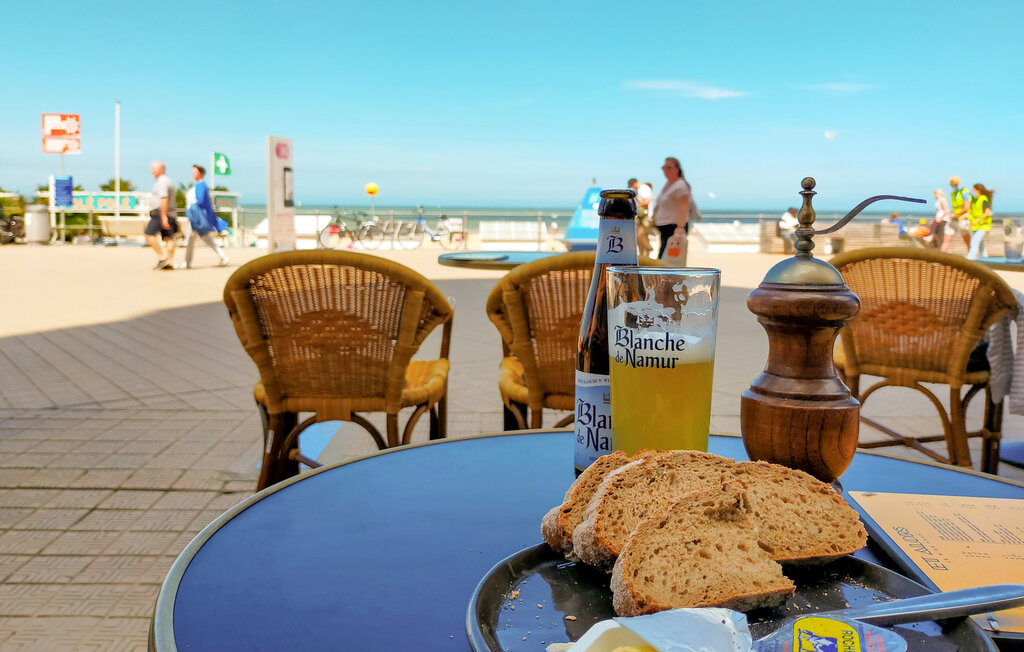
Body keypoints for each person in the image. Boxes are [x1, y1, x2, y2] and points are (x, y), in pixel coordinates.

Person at [184, 165, 230, 268]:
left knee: (193, 239)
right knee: (203, 238)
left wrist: (190, 214)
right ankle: (223, 256)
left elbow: (200, 202)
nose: (193, 173)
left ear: (200, 173)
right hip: (198, 218)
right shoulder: (202, 186)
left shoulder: (201, 186)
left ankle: (187, 262)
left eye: (195, 171)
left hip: (196, 218)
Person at [652, 156, 691, 261]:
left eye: (669, 167)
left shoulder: (680, 185)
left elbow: (684, 207)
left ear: (677, 169)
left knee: (670, 260)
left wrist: (680, 227)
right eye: (664, 168)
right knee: (664, 258)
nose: (666, 170)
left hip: (674, 228)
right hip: (665, 227)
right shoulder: (668, 185)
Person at [146, 161, 178, 269]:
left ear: (162, 169)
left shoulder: (162, 181)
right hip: (171, 213)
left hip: (161, 213)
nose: (152, 171)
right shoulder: (168, 181)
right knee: (169, 238)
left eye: (155, 168)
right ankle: (169, 261)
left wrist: (163, 216)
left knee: (149, 234)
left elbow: (164, 198)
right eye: (152, 168)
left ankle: (163, 257)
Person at [966, 183, 993, 260]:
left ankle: (969, 259)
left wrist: (978, 220)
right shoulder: (974, 200)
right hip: (975, 226)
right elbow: (972, 212)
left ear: (978, 190)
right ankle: (985, 259)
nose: (972, 191)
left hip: (983, 225)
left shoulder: (983, 199)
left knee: (974, 242)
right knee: (981, 244)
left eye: (974, 190)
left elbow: (988, 212)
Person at [629, 178, 653, 257]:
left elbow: (646, 202)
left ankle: (649, 248)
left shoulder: (643, 189)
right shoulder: (640, 190)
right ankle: (643, 255)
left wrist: (635, 205)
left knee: (640, 235)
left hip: (646, 216)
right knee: (642, 236)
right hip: (642, 217)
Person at [949, 176, 972, 249]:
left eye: (955, 184)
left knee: (966, 239)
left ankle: (971, 255)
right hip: (955, 219)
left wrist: (956, 214)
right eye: (952, 184)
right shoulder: (953, 194)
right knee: (947, 237)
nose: (953, 185)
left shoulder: (964, 192)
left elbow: (967, 207)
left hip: (964, 218)